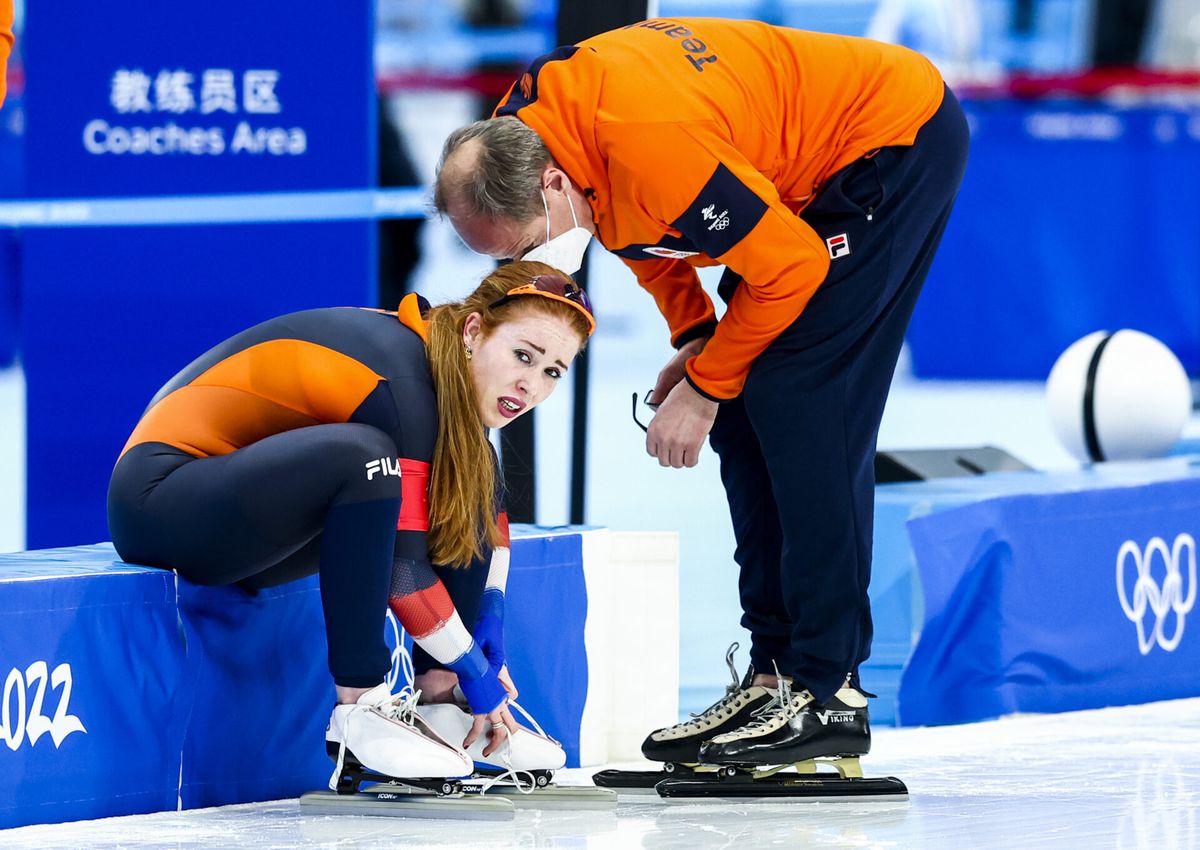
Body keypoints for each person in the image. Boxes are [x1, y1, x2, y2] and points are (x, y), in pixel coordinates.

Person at [433, 18, 969, 771]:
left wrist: (707, 386)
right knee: (748, 396)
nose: (531, 267)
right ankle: (776, 673)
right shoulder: (529, 136)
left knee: (799, 391)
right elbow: (631, 229)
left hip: (888, 140)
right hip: (780, 162)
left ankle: (828, 691)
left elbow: (791, 267)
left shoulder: (648, 142)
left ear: (551, 183)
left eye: (525, 246)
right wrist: (694, 338)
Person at [108, 261, 595, 783]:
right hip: (159, 503)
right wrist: (476, 667)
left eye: (552, 372)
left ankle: (440, 703)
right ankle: (358, 709)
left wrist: (485, 632)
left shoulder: (442, 377)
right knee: (366, 460)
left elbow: (490, 523)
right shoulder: (403, 384)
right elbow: (402, 573)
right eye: (524, 356)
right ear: (473, 331)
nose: (531, 386)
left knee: (471, 465)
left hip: (249, 530)